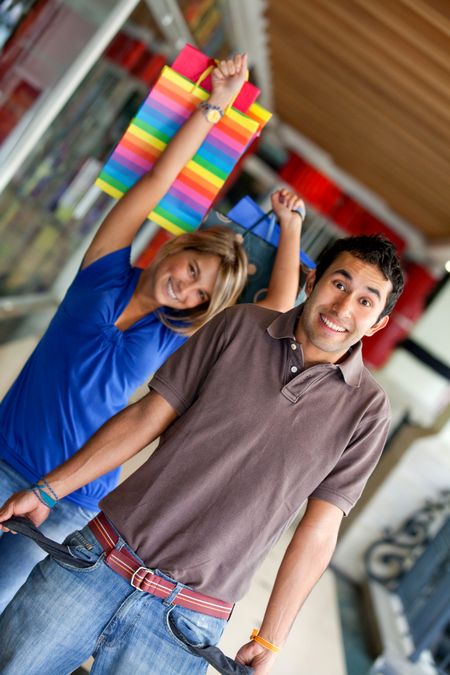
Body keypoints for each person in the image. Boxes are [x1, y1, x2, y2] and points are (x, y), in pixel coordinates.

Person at [0, 234, 404, 674]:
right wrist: (46, 492)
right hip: (101, 557)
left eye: (366, 301)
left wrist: (272, 635)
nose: (344, 308)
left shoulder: (368, 412)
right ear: (313, 280)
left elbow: (319, 531)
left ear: (379, 323)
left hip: (186, 620)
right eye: (339, 284)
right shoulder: (239, 326)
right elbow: (148, 416)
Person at [0, 53, 305, 612]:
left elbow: (279, 309)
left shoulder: (175, 336)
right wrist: (216, 105)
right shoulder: (102, 274)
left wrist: (292, 228)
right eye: (191, 272)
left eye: (200, 296)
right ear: (176, 247)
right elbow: (158, 180)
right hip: (3, 448)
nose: (186, 293)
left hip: (72, 494)